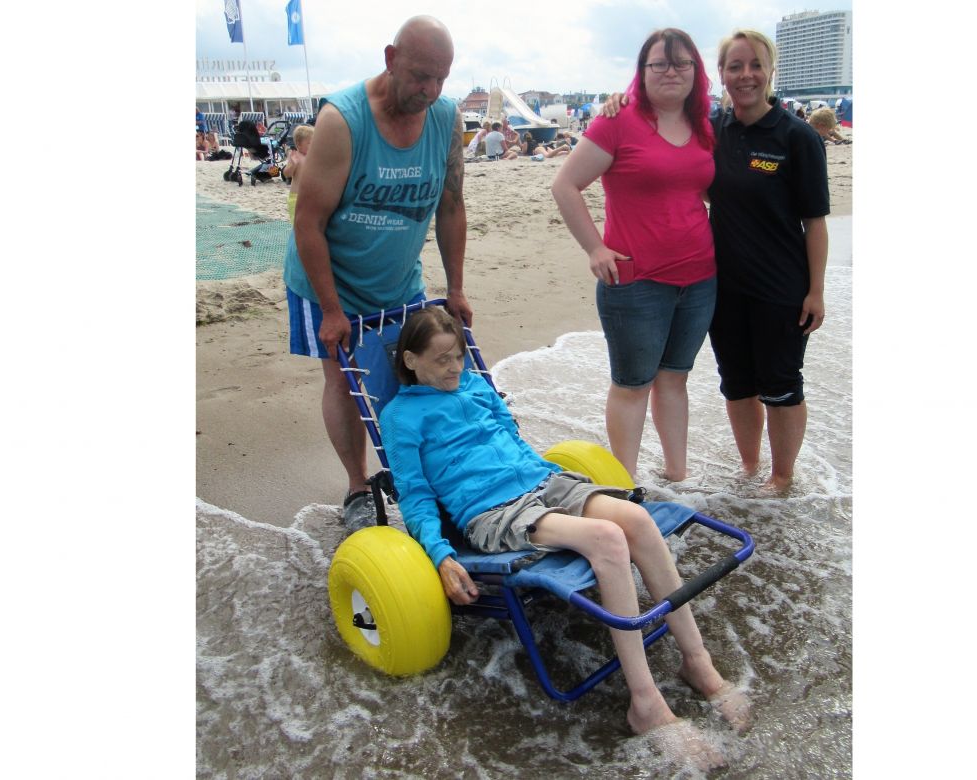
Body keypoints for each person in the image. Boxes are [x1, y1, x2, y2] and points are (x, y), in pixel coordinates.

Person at [378, 307, 750, 749]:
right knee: (608, 539)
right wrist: (440, 556)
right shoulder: (400, 418)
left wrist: (558, 483)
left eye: (458, 356)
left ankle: (698, 662)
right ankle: (645, 703)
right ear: (410, 360)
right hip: (492, 510)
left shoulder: (476, 386)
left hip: (541, 482)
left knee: (637, 520)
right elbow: (416, 498)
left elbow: (513, 440)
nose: (455, 368)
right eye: (441, 360)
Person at [284, 15, 472, 530]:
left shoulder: (446, 118)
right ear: (390, 59)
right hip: (330, 278)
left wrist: (454, 288)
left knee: (412, 375)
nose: (429, 90)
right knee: (345, 381)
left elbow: (451, 206)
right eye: (419, 76)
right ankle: (356, 488)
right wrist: (330, 308)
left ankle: (421, 474)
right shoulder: (343, 121)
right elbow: (308, 219)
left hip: (398, 279)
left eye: (441, 78)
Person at [551, 28, 717, 484]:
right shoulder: (617, 120)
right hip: (636, 282)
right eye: (658, 63)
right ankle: (626, 486)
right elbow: (565, 185)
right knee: (632, 386)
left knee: (674, 380)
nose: (671, 72)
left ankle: (678, 478)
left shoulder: (705, 125)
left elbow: (700, 190)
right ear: (641, 73)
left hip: (701, 279)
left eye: (682, 63)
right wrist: (594, 247)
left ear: (695, 72)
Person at [709, 30, 829, 492]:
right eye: (735, 66)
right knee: (736, 382)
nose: (745, 75)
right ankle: (749, 467)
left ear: (770, 70)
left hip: (781, 288)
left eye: (755, 64)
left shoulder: (796, 137)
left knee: (781, 384)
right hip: (722, 286)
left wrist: (816, 291)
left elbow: (814, 222)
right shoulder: (714, 130)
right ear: (721, 73)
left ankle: (782, 478)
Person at [284, 124, 315, 222]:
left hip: (311, 197)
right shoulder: (295, 156)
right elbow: (287, 174)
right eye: (309, 143)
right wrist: (293, 165)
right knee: (298, 224)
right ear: (298, 144)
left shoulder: (313, 157)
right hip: (297, 198)